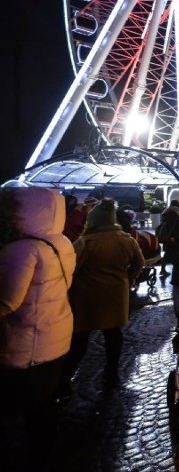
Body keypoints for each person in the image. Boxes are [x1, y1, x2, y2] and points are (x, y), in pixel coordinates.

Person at [0, 186, 76, 458]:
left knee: (21, 403)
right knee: (43, 404)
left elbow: (8, 300)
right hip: (56, 331)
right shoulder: (63, 243)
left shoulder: (22, 250)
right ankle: (45, 451)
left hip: (25, 340)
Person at [58, 198, 145, 397]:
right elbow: (139, 264)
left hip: (88, 298)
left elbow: (72, 269)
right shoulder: (127, 239)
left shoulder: (86, 242)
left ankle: (64, 381)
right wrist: (127, 279)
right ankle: (112, 375)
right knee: (114, 337)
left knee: (79, 341)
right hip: (116, 296)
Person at [157, 199, 179, 279]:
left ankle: (163, 269)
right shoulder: (175, 212)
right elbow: (176, 224)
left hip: (166, 237)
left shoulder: (166, 211)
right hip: (172, 237)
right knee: (175, 253)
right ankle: (177, 271)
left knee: (167, 253)